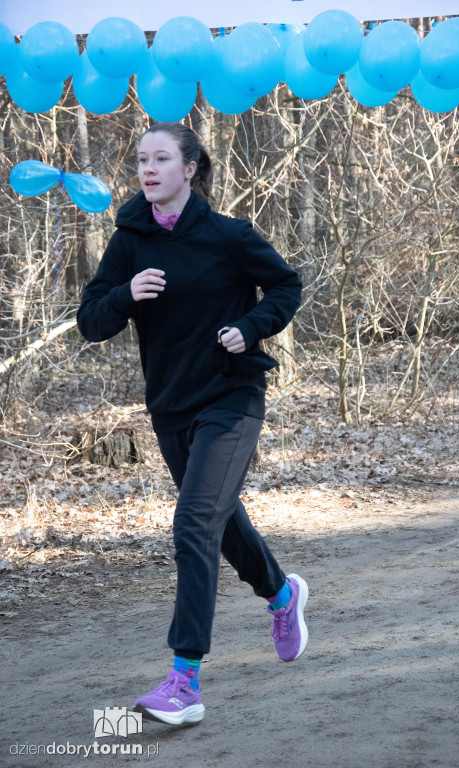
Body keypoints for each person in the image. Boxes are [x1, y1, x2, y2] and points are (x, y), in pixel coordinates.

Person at [77, 122, 308, 726]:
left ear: (190, 167)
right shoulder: (128, 240)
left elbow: (286, 285)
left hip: (231, 397)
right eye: (141, 161)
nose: (148, 170)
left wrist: (252, 327)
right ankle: (282, 595)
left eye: (160, 159)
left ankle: (185, 680)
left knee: (193, 522)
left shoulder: (229, 236)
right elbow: (91, 322)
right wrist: (126, 293)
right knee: (220, 521)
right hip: (171, 405)